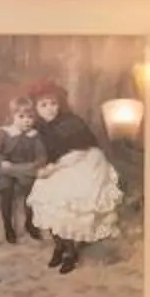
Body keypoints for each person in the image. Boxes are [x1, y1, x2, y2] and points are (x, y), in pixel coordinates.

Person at [22, 82, 122, 274]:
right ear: (35, 108)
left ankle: (70, 252)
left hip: (86, 162)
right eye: (43, 105)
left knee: (65, 197)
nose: (49, 109)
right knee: (43, 194)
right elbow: (43, 154)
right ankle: (59, 245)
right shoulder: (39, 128)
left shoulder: (71, 122)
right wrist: (44, 168)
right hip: (61, 163)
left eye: (53, 103)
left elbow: (79, 152)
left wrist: (54, 168)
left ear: (60, 104)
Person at [0, 96, 44, 244]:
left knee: (31, 191)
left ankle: (30, 223)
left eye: (30, 117)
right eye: (21, 117)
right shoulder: (4, 133)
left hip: (25, 169)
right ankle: (8, 226)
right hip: (7, 168)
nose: (27, 121)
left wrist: (31, 166)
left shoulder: (34, 136)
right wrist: (2, 161)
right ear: (12, 117)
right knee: (6, 188)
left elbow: (41, 157)